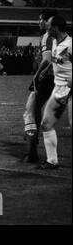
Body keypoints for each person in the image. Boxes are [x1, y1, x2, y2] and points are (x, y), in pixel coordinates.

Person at [21, 9, 57, 163]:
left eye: (41, 19)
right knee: (39, 115)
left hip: (46, 79)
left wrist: (37, 75)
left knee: (30, 113)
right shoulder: (61, 37)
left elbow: (47, 59)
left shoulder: (47, 36)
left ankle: (32, 153)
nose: (39, 22)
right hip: (57, 79)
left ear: (49, 21)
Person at [37, 15, 71, 170]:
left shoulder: (70, 45)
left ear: (56, 27)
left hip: (69, 89)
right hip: (58, 88)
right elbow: (59, 63)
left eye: (49, 25)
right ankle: (52, 161)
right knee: (46, 123)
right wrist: (46, 71)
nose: (46, 27)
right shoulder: (56, 42)